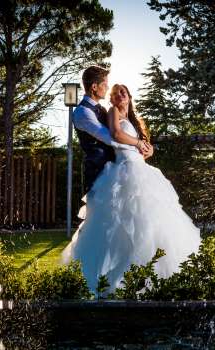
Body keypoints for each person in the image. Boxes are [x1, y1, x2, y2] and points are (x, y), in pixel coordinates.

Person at [62, 82, 201, 294]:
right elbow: (117, 135)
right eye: (115, 93)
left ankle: (157, 275)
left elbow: (138, 145)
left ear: (129, 96)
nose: (119, 95)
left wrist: (147, 148)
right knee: (123, 225)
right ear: (112, 99)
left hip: (141, 168)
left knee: (151, 223)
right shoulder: (113, 112)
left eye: (123, 92)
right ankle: (116, 277)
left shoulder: (134, 121)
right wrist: (138, 143)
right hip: (124, 170)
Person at [71, 65, 152, 194]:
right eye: (105, 84)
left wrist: (148, 148)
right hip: (98, 173)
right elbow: (112, 139)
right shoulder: (83, 112)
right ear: (94, 87)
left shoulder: (101, 109)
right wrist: (140, 146)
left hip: (115, 171)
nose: (107, 88)